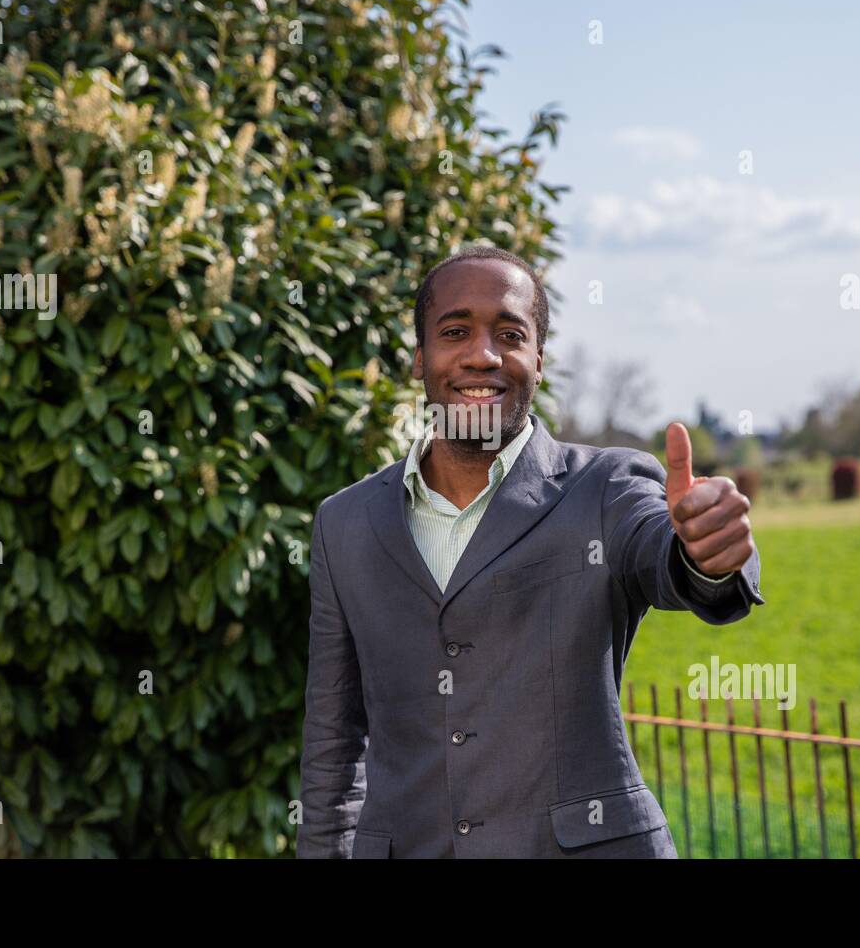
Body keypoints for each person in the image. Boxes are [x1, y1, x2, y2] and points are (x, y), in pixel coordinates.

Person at [297, 246, 764, 858]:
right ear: (420, 357)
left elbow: (665, 555)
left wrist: (706, 555)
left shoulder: (605, 486)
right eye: (455, 331)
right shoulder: (345, 523)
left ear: (538, 360)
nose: (482, 355)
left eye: (510, 334)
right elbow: (334, 743)